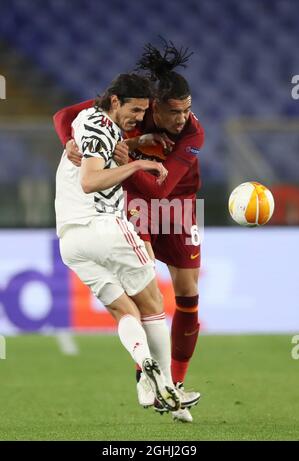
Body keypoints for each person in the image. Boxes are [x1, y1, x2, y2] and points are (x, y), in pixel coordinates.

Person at [53, 40, 204, 423]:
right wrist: (134, 160)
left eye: (187, 110)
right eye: (174, 112)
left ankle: (157, 376)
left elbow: (163, 191)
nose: (182, 119)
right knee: (154, 304)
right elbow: (63, 122)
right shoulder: (128, 115)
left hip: (171, 208)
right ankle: (159, 384)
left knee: (176, 297)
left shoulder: (186, 133)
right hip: (125, 212)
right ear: (152, 106)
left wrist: (130, 150)